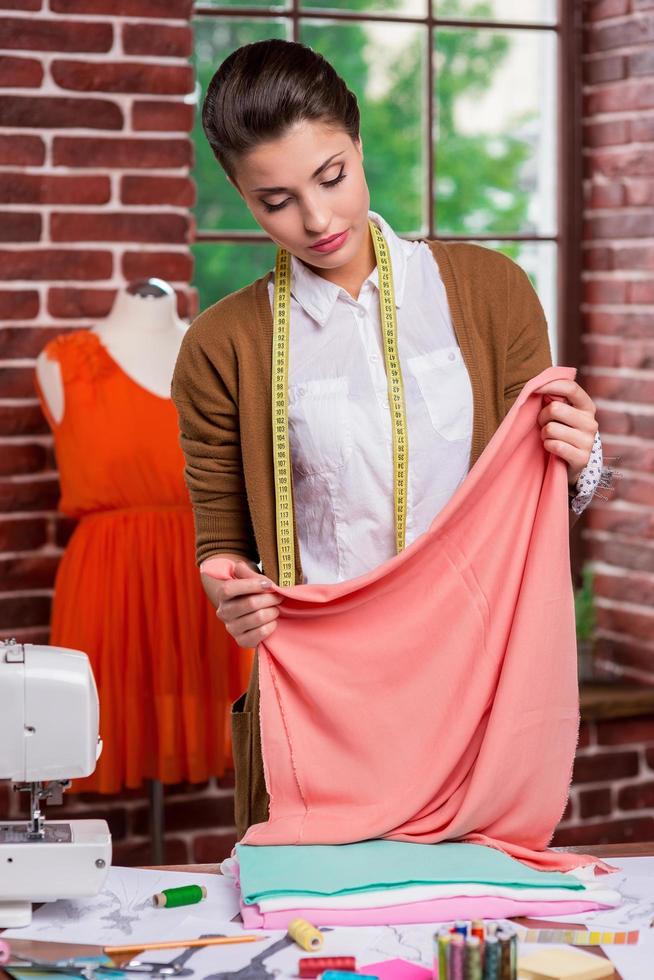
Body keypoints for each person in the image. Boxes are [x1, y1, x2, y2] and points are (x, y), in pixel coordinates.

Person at [171, 38, 604, 839]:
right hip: (326, 701)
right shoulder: (220, 346)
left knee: (471, 940)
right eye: (275, 199)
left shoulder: (493, 294)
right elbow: (223, 540)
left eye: (331, 176)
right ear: (238, 192)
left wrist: (582, 460)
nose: (317, 218)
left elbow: (533, 506)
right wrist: (226, 587)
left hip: (477, 685)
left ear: (359, 143)